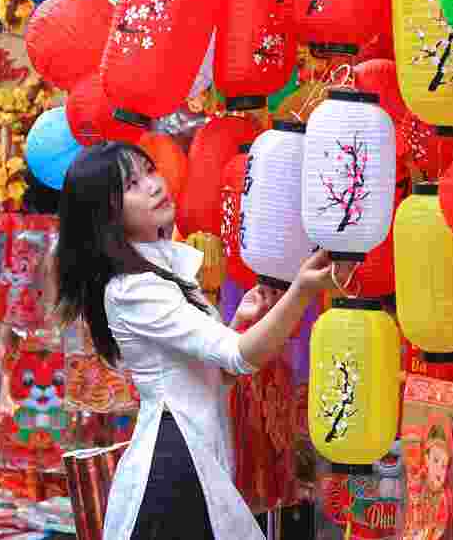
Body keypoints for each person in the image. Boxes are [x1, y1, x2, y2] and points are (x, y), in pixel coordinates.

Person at [55, 141, 343, 540]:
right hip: (175, 460)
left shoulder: (159, 273)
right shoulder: (133, 288)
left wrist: (240, 323)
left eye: (149, 172)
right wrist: (302, 290)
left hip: (191, 448)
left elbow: (216, 377)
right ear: (106, 216)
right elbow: (239, 358)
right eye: (133, 184)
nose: (154, 186)